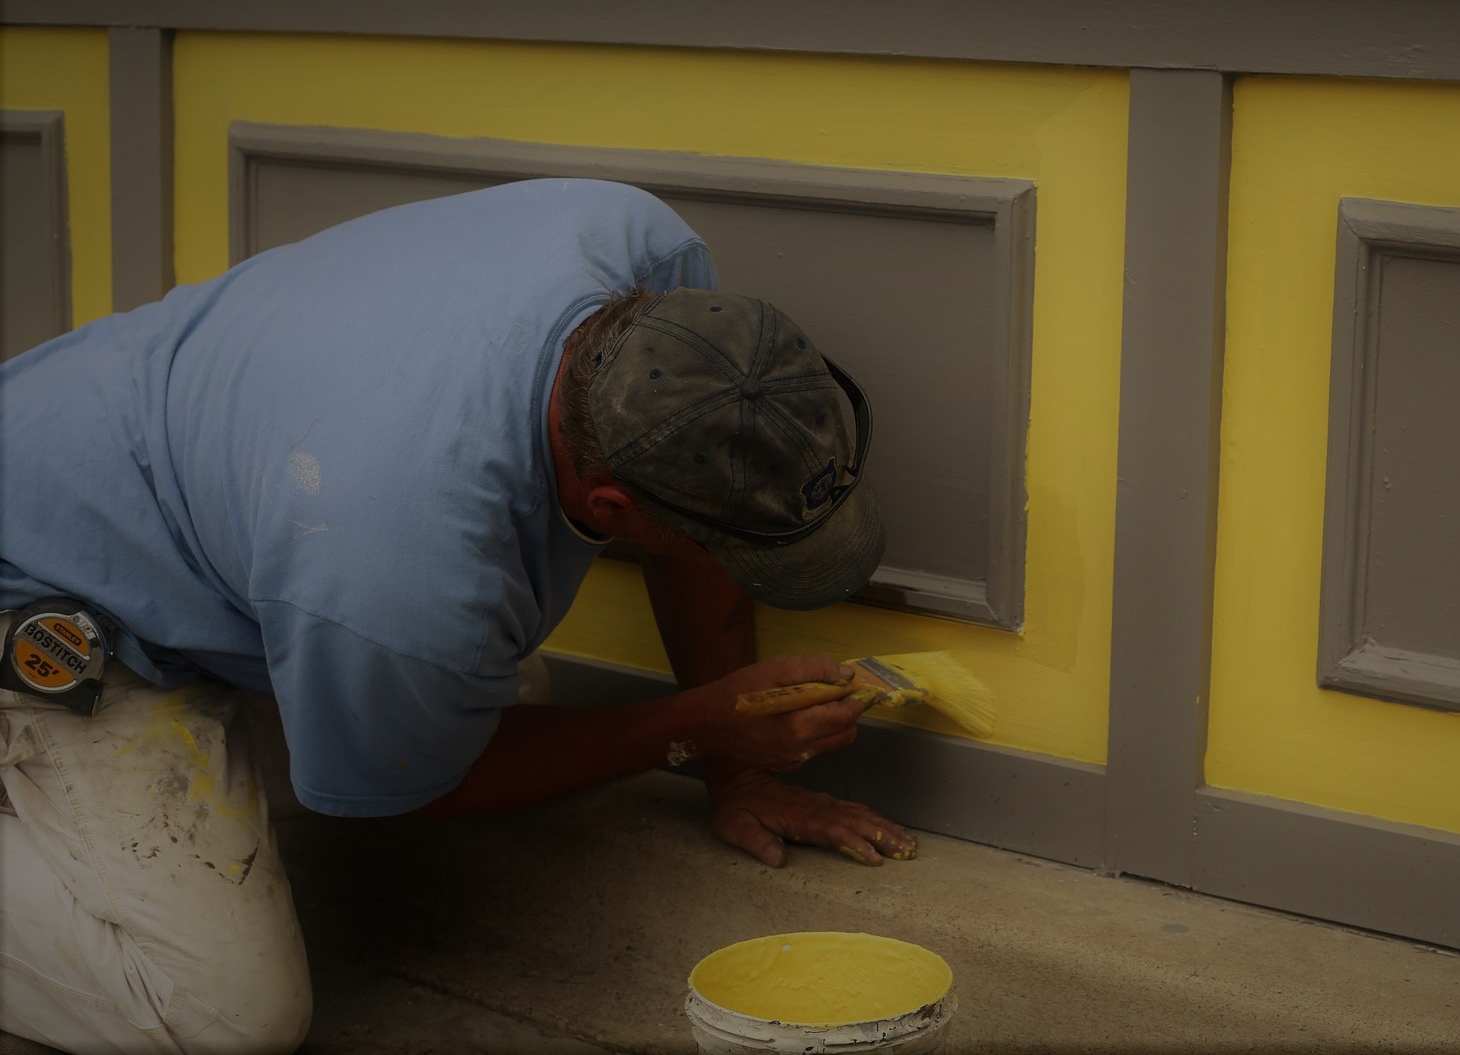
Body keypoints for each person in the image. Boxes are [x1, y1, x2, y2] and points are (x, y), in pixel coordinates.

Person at [0, 178, 916, 1054]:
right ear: (611, 508)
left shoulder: (639, 254)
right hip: (47, 590)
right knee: (227, 1018)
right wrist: (698, 730)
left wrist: (735, 767)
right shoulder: (396, 566)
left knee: (483, 689)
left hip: (150, 467)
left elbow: (693, 502)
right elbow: (431, 784)